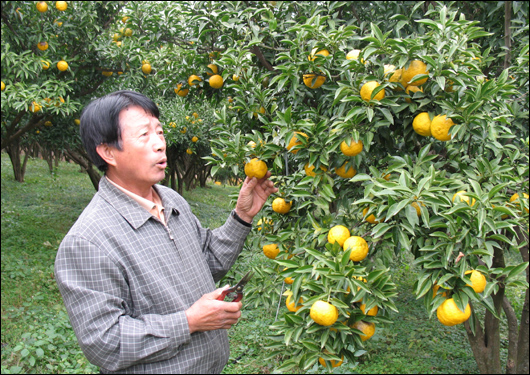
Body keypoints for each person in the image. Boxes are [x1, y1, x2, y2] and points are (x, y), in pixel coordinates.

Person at [54, 90, 278, 374]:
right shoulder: (89, 242)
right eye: (144, 135)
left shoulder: (171, 200)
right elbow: (105, 342)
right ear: (108, 152)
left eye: (159, 132)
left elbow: (208, 262)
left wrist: (243, 215)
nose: (160, 144)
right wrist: (189, 321)